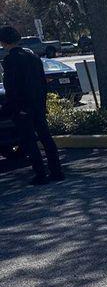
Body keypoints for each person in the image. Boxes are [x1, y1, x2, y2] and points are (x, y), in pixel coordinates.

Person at [0, 25, 64, 185]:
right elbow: (42, 83)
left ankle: (40, 174)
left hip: (22, 107)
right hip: (38, 104)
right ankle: (56, 171)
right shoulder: (34, 57)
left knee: (29, 141)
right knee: (46, 138)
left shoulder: (9, 61)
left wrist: (13, 108)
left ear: (3, 42)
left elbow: (12, 87)